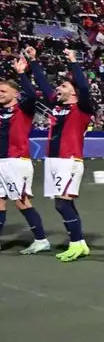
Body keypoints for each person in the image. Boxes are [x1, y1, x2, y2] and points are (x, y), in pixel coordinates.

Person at [20, 48, 96, 261]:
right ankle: (79, 243)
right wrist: (33, 62)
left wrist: (73, 61)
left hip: (68, 160)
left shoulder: (82, 108)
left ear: (74, 93)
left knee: (62, 203)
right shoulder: (57, 106)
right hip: (52, 160)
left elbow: (82, 85)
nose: (58, 88)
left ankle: (75, 243)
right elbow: (43, 86)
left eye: (63, 86)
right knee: (64, 203)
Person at [1, 57, 51, 255]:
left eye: (3, 91)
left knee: (21, 202)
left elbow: (31, 95)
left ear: (15, 93)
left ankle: (41, 240)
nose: (0, 94)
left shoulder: (23, 109)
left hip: (16, 161)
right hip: (1, 162)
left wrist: (22, 73)